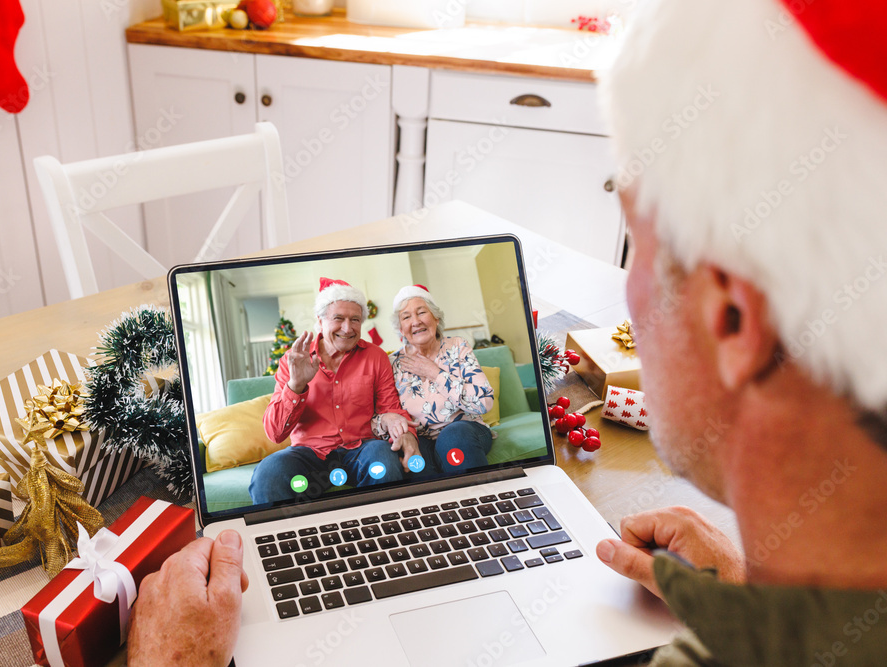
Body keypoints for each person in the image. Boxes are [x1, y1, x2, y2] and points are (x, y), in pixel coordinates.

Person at [130, 0, 887, 664]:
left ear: (732, 319)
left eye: (640, 241)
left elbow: (422, 410)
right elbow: (283, 423)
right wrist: (747, 590)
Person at [247, 277, 421, 504]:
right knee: (268, 474)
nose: (347, 328)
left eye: (355, 320)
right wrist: (296, 385)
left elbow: (391, 407)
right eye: (338, 318)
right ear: (320, 321)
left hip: (361, 449)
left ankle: (381, 535)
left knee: (384, 460)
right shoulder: (294, 360)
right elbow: (275, 433)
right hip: (309, 454)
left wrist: (408, 435)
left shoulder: (375, 356)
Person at [374, 285, 495, 475]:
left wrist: (436, 374)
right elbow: (379, 416)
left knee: (453, 437)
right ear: (400, 328)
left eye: (422, 312)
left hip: (465, 430)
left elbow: (484, 402)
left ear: (436, 318)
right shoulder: (392, 363)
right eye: (406, 317)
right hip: (419, 438)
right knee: (417, 466)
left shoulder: (457, 346)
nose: (416, 321)